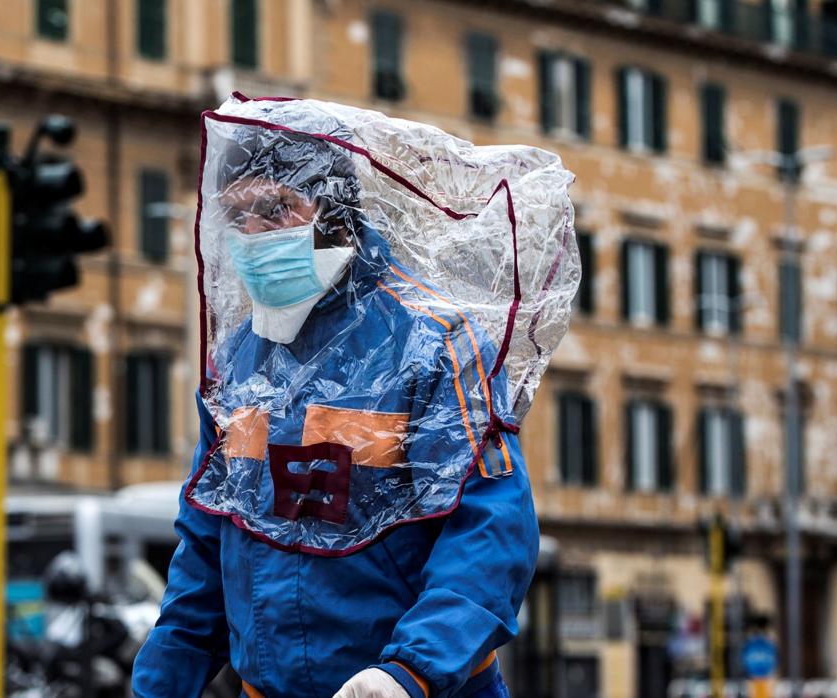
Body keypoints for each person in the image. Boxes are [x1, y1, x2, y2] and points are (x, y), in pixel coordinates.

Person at [132, 96, 575, 698]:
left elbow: (491, 528)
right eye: (238, 219)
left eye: (276, 210)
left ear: (334, 212)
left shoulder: (433, 346)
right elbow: (210, 543)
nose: (254, 236)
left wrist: (409, 672)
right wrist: (160, 682)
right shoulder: (239, 363)